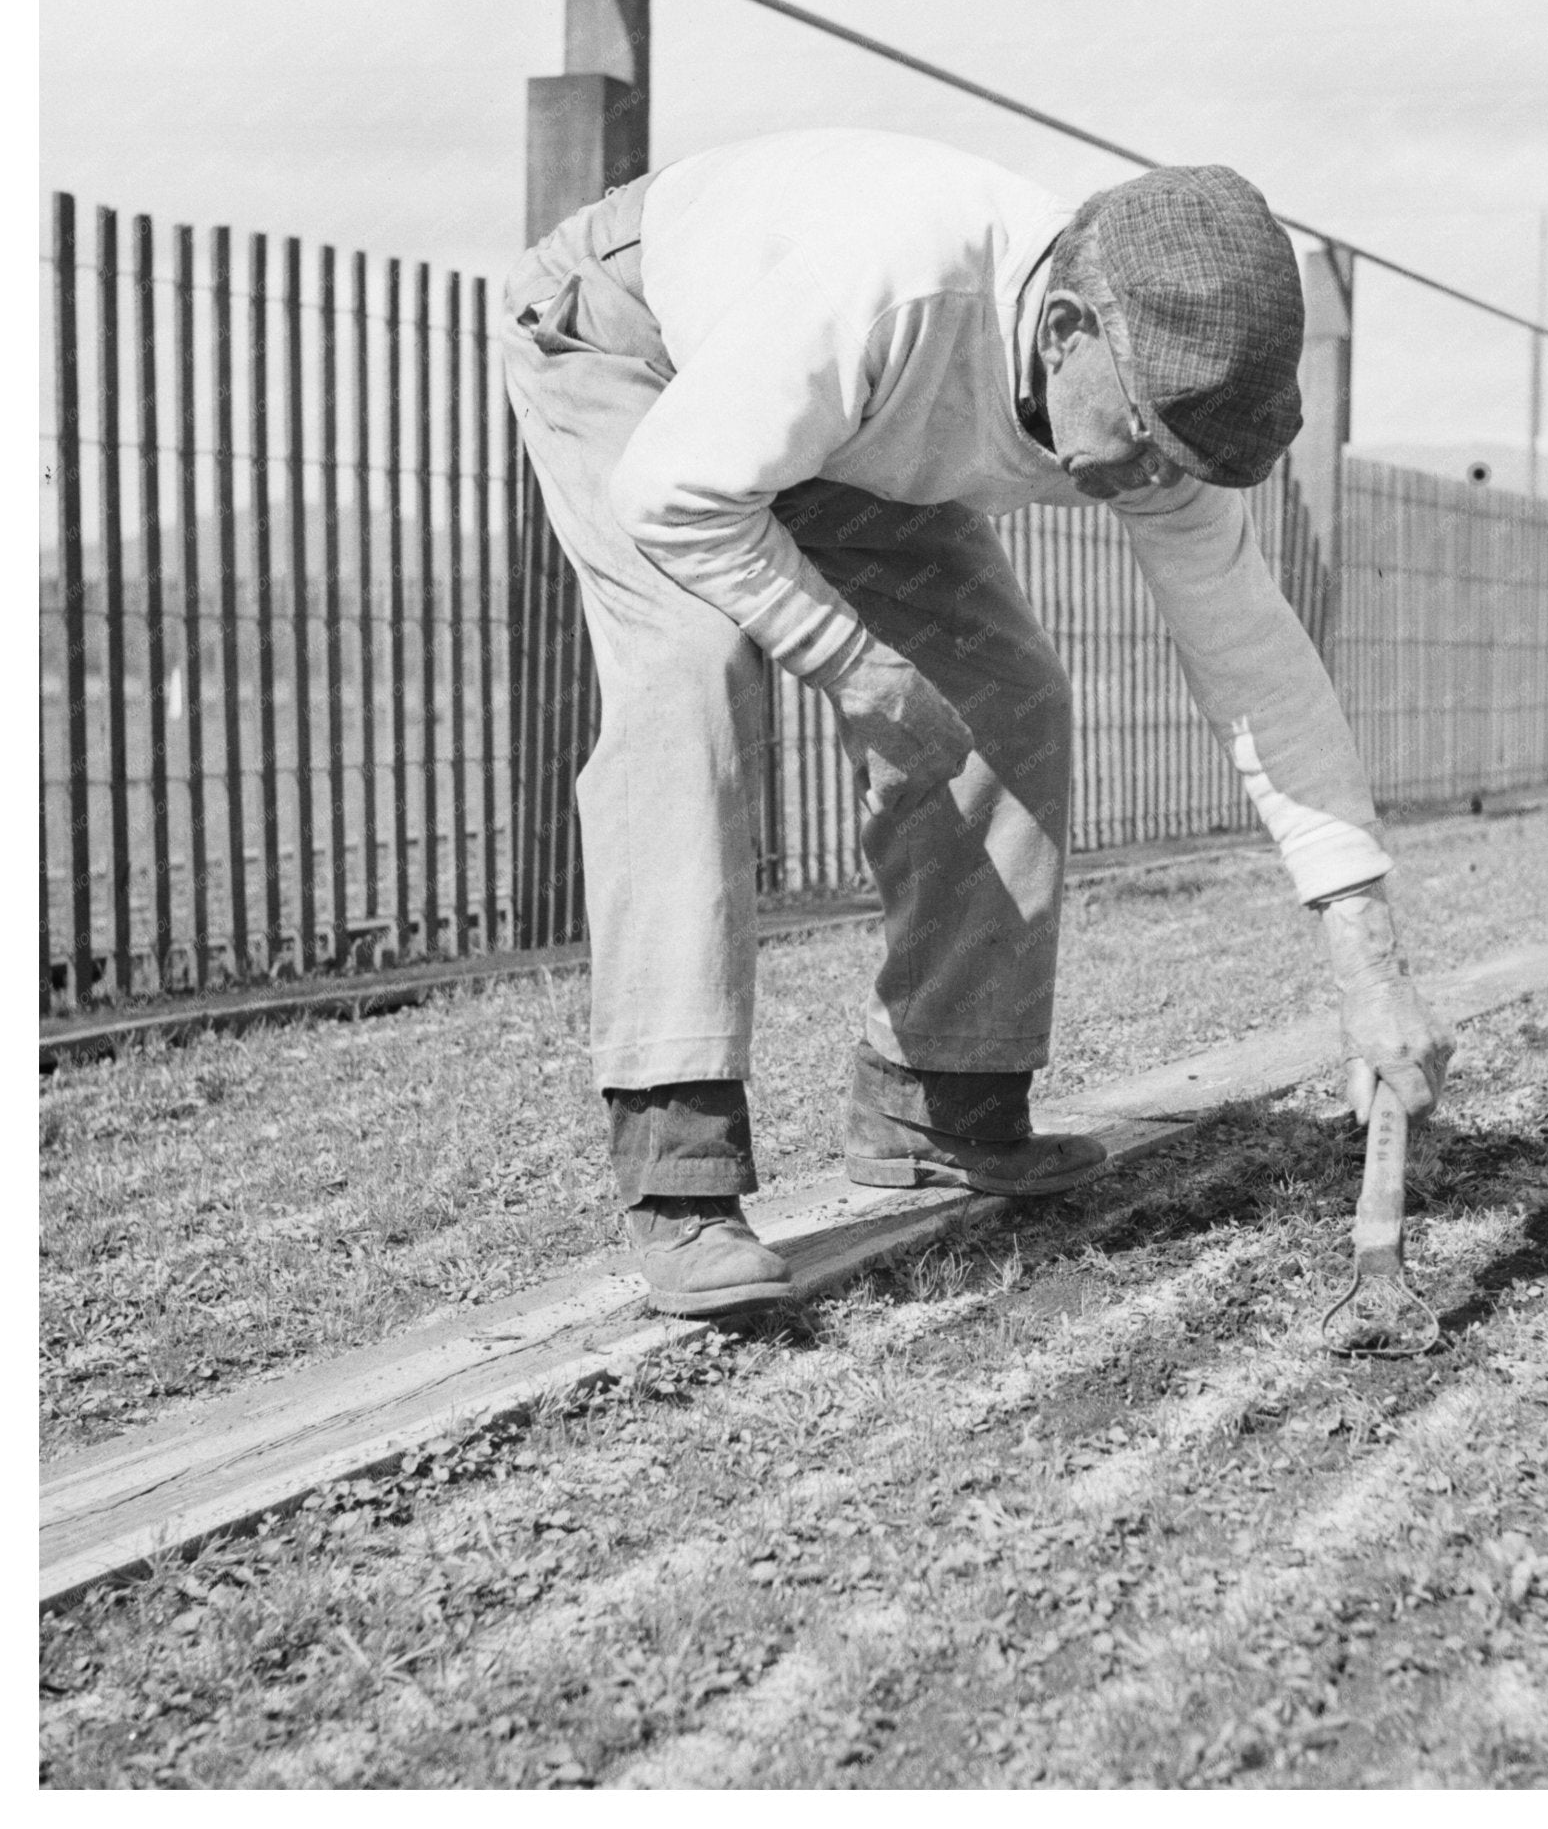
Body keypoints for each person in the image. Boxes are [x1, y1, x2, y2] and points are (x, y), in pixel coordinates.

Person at [502, 129, 1454, 1318]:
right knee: (690, 677)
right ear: (1065, 334)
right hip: (630, 339)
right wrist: (844, 656)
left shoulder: (1157, 416)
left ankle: (935, 1101)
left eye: (1182, 459)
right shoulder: (893, 287)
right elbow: (672, 496)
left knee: (1004, 689)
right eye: (1147, 439)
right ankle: (678, 1175)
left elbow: (1257, 666)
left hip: (825, 420)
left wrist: (1367, 963)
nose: (1156, 477)